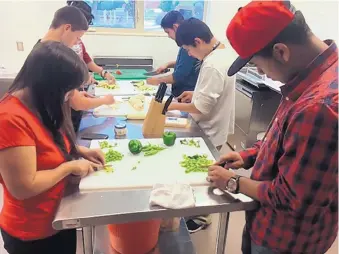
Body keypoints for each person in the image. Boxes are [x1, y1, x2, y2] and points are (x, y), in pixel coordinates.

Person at [208, 1, 338, 253]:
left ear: (280, 52)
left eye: (257, 63)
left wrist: (233, 182)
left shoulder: (319, 106)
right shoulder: (311, 77)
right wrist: (248, 156)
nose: (259, 71)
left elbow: (294, 200)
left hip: (285, 239)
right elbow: (285, 139)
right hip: (273, 225)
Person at [0, 41, 105, 254]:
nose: (71, 95)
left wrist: (80, 151)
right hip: (31, 233)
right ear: (49, 85)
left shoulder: (40, 104)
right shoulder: (10, 118)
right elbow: (23, 187)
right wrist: (68, 167)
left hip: (57, 217)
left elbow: (48, 145)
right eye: (69, 89)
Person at [39, 6, 115, 131]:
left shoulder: (42, 47)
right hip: (48, 126)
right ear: (67, 27)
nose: (76, 43)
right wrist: (105, 100)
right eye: (77, 37)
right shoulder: (56, 57)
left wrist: (73, 93)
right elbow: (78, 104)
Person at [168, 18, 235, 151]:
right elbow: (217, 91)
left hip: (209, 132)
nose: (189, 54)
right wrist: (196, 93)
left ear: (197, 42)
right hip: (217, 128)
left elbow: (201, 108)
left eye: (188, 49)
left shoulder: (212, 64)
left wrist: (168, 106)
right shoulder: (222, 52)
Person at [146, 11, 200, 97]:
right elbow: (187, 64)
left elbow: (178, 76)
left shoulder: (188, 45)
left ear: (175, 27)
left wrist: (157, 80)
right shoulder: (185, 44)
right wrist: (168, 64)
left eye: (168, 32)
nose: (168, 36)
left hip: (185, 95)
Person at [66, 1, 116, 85]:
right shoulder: (59, 47)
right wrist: (85, 77)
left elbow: (85, 58)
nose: (77, 40)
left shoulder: (77, 40)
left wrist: (103, 73)